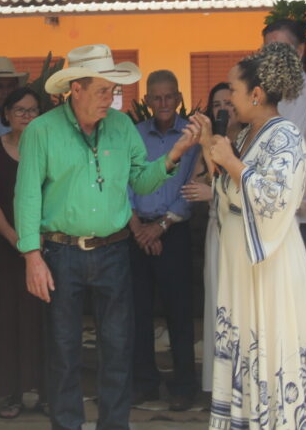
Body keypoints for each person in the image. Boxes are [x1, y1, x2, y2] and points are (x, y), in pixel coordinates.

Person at [14, 43, 198, 430]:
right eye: (102, 91)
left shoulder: (121, 127)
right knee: (64, 351)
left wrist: (174, 154)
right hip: (60, 253)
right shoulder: (41, 132)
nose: (110, 99)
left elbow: (142, 180)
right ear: (75, 89)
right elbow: (27, 195)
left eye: (113, 91)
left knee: (118, 348)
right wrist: (32, 255)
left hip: (114, 251)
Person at [202, 43, 306, 430]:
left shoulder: (285, 136)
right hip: (243, 265)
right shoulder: (246, 136)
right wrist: (213, 155)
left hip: (271, 267)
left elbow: (277, 201)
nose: (229, 101)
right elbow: (231, 195)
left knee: (271, 349)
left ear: (256, 94)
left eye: (234, 92)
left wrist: (233, 164)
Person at [262, 18, 306, 421]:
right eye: (269, 49)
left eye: (283, 49)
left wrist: (275, 210)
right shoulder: (261, 98)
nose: (275, 57)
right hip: (266, 231)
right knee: (273, 321)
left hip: (304, 229)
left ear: (301, 51)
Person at [128, 70, 201, 411]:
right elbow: (123, 183)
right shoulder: (133, 135)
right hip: (135, 233)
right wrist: (139, 229)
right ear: (146, 101)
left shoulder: (191, 136)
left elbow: (190, 187)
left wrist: (161, 227)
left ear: (179, 97)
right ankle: (145, 383)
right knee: (137, 313)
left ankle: (184, 386)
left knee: (179, 313)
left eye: (169, 96)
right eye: (156, 97)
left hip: (173, 233)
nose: (163, 103)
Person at [0, 87, 46, 419]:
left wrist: (37, 240)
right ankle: (12, 394)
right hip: (6, 247)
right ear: (6, 114)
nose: (26, 116)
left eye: (32, 110)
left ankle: (46, 391)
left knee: (44, 319)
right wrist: (16, 238)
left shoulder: (47, 147)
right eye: (19, 110)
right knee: (7, 319)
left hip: (44, 246)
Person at [180, 82, 241, 395]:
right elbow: (194, 187)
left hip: (245, 236)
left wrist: (214, 193)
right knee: (218, 302)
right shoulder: (209, 146)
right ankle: (220, 387)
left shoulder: (250, 140)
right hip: (218, 232)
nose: (223, 109)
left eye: (230, 103)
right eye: (217, 104)